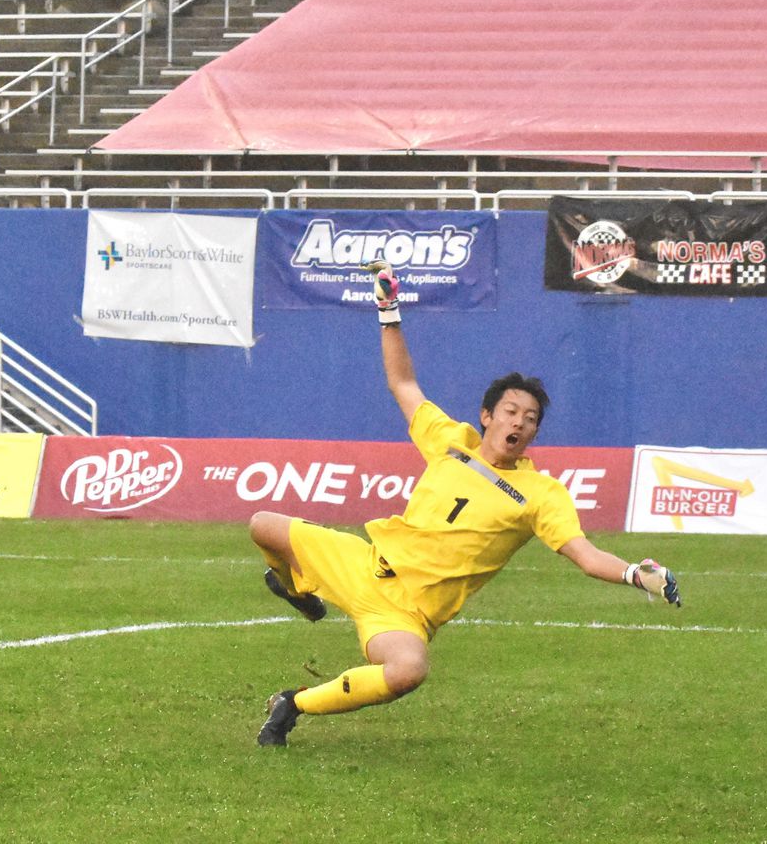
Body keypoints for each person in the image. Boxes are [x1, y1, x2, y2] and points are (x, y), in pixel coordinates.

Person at [251, 260, 681, 747]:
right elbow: (404, 384)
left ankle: (293, 704)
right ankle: (297, 591)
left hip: (407, 614)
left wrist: (635, 573)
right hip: (366, 564)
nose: (520, 422)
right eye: (511, 411)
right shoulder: (452, 442)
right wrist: (388, 311)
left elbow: (585, 555)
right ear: (487, 416)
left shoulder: (541, 494)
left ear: (534, 432)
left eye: (531, 419)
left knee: (408, 670)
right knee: (263, 525)